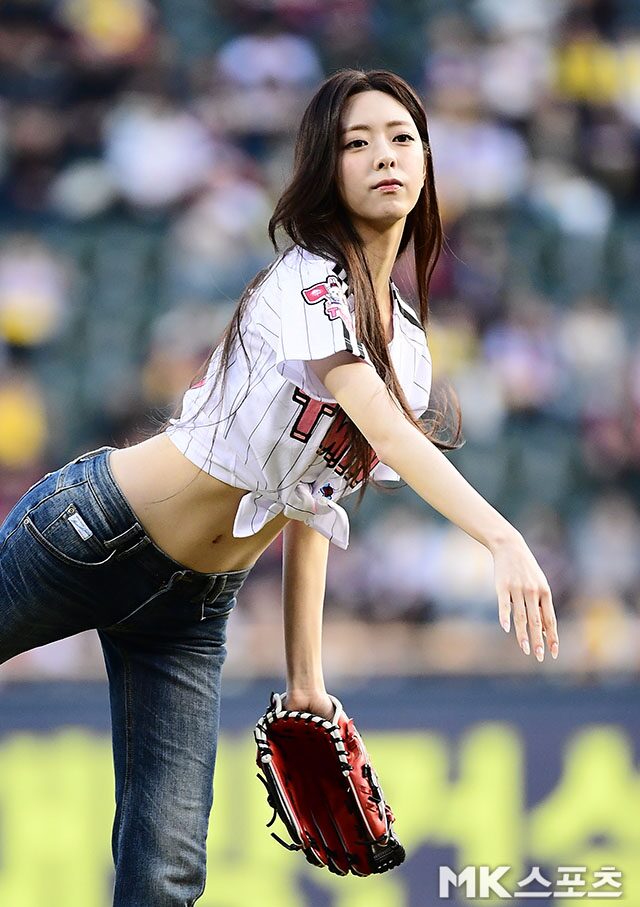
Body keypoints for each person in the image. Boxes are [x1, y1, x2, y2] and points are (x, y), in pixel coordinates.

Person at [0, 69, 559, 906]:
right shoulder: (310, 278)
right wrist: (502, 536)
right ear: (325, 168)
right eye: (356, 142)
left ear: (427, 162)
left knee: (166, 874)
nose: (384, 155)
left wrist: (306, 679)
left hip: (190, 613)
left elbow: (312, 505)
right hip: (90, 535)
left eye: (401, 138)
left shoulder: (408, 348)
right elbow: (384, 428)